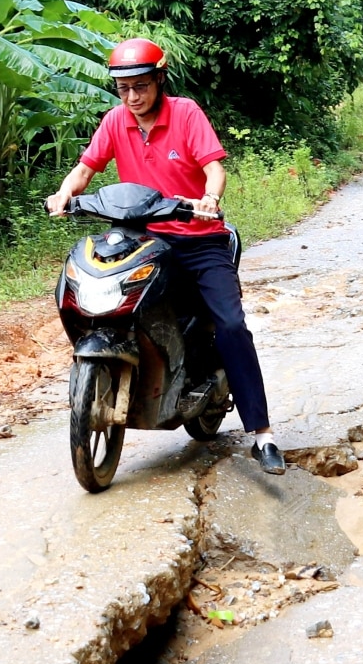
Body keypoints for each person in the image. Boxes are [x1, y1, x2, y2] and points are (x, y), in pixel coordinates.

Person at [44, 37, 286, 475]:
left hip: (197, 237)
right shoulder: (116, 121)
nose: (133, 98)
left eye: (141, 86)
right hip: (140, 238)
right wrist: (64, 194)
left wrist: (209, 199)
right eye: (124, 89)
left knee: (231, 324)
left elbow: (214, 169)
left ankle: (263, 434)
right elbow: (85, 169)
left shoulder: (186, 112)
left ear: (159, 79)